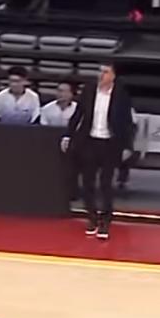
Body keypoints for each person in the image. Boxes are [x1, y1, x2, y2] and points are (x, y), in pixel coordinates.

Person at [63, 63, 134, 240]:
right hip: (90, 141)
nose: (101, 75)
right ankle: (92, 217)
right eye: (100, 71)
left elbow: (127, 122)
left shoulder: (121, 94)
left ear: (113, 76)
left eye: (106, 72)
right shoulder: (89, 90)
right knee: (88, 181)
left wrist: (127, 146)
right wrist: (68, 135)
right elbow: (78, 115)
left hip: (110, 143)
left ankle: (106, 220)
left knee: (105, 183)